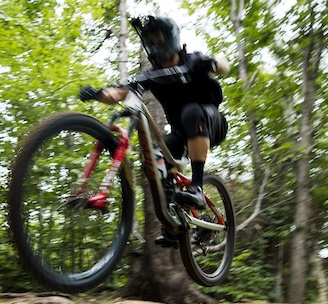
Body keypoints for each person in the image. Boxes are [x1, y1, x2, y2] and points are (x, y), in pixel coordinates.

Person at [79, 15, 229, 212]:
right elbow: (120, 92)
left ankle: (198, 187)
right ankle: (174, 218)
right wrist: (97, 94)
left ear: (171, 39)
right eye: (150, 41)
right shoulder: (151, 75)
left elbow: (224, 64)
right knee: (153, 161)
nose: (155, 45)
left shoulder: (192, 60)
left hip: (211, 123)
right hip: (180, 134)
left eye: (158, 39)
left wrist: (210, 63)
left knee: (191, 112)